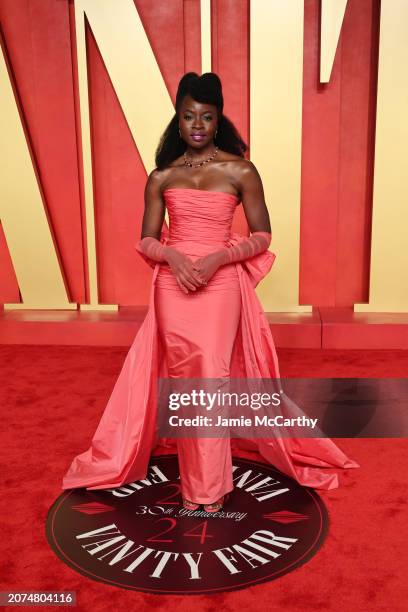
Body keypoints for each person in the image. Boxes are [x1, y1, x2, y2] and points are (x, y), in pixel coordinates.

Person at [62, 72, 359, 508]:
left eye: (206, 116)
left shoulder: (240, 170)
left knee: (212, 380)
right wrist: (173, 257)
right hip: (172, 286)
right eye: (188, 116)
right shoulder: (162, 176)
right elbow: (146, 239)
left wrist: (221, 256)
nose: (197, 124)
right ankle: (198, 482)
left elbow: (263, 235)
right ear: (177, 122)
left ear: (218, 120)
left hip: (221, 286)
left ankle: (207, 488)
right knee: (185, 383)